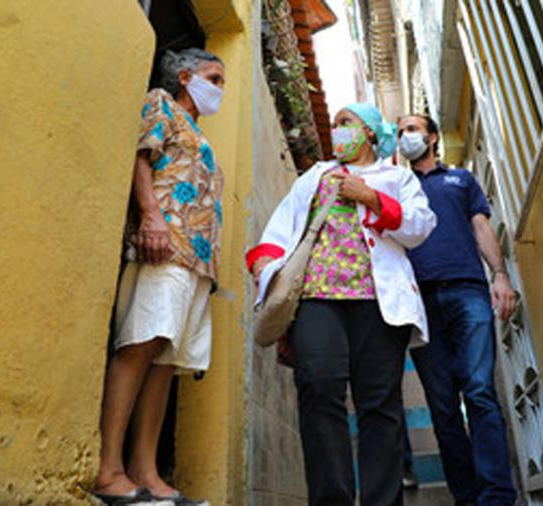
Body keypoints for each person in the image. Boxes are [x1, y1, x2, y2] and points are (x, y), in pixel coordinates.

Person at [247, 104, 436, 506]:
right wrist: (264, 261)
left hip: (378, 303)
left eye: (346, 123)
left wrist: (370, 197)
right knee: (317, 387)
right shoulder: (316, 175)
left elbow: (420, 227)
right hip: (317, 297)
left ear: (370, 132)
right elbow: (281, 227)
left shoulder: (397, 177)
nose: (337, 131)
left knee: (379, 403)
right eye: (334, 124)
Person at [92, 47, 226, 506]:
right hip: (164, 245)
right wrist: (150, 216)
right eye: (214, 78)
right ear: (186, 77)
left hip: (196, 261)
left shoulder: (200, 134)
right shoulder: (161, 103)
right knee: (142, 343)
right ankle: (109, 470)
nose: (219, 89)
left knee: (167, 360)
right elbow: (142, 157)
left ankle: (146, 473)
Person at [397, 114, 519, 506]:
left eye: (412, 129)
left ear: (432, 137)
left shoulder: (461, 179)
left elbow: (481, 227)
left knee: (480, 391)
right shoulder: (396, 186)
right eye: (399, 132)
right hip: (420, 304)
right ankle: (467, 498)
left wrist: (500, 275)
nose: (404, 136)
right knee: (443, 407)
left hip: (468, 292)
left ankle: (497, 496)